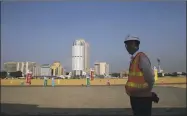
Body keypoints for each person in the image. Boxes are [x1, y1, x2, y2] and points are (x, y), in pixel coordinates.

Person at [124, 35, 158, 116]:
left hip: (142, 98)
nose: (126, 47)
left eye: (127, 44)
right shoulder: (134, 59)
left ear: (133, 44)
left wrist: (147, 92)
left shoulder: (141, 57)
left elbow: (150, 78)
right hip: (135, 96)